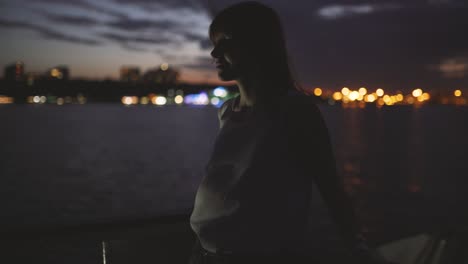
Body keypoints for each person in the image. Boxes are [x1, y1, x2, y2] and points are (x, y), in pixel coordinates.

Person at [189, 2, 393, 263]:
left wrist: (357, 245)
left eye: (226, 41)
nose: (215, 52)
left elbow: (329, 185)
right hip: (205, 253)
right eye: (214, 43)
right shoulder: (228, 111)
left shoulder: (294, 110)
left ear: (257, 44)